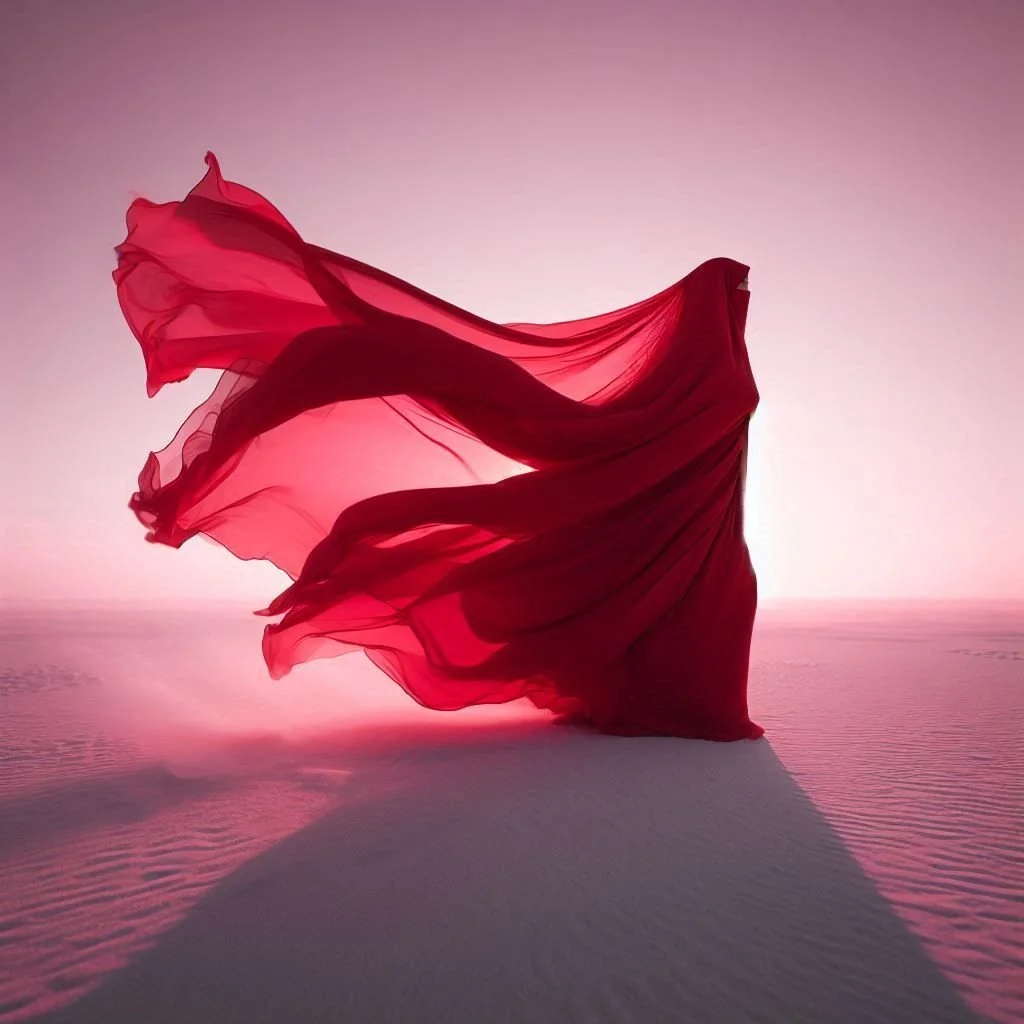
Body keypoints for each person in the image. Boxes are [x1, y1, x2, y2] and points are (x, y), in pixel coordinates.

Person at [115, 153, 764, 741]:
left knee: (691, 615)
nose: (744, 299)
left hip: (705, 532)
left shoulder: (715, 375)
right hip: (694, 528)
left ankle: (678, 702)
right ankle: (680, 706)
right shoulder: (698, 379)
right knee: (674, 616)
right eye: (733, 291)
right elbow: (631, 438)